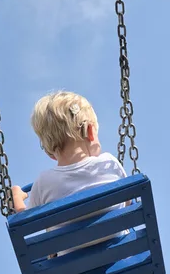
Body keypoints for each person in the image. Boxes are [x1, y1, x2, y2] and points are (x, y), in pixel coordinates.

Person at [12, 91, 129, 255]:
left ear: (49, 152)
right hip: (118, 250)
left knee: (50, 227)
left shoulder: (44, 182)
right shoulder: (110, 163)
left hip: (69, 265)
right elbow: (128, 204)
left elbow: (25, 221)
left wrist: (17, 196)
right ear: (91, 132)